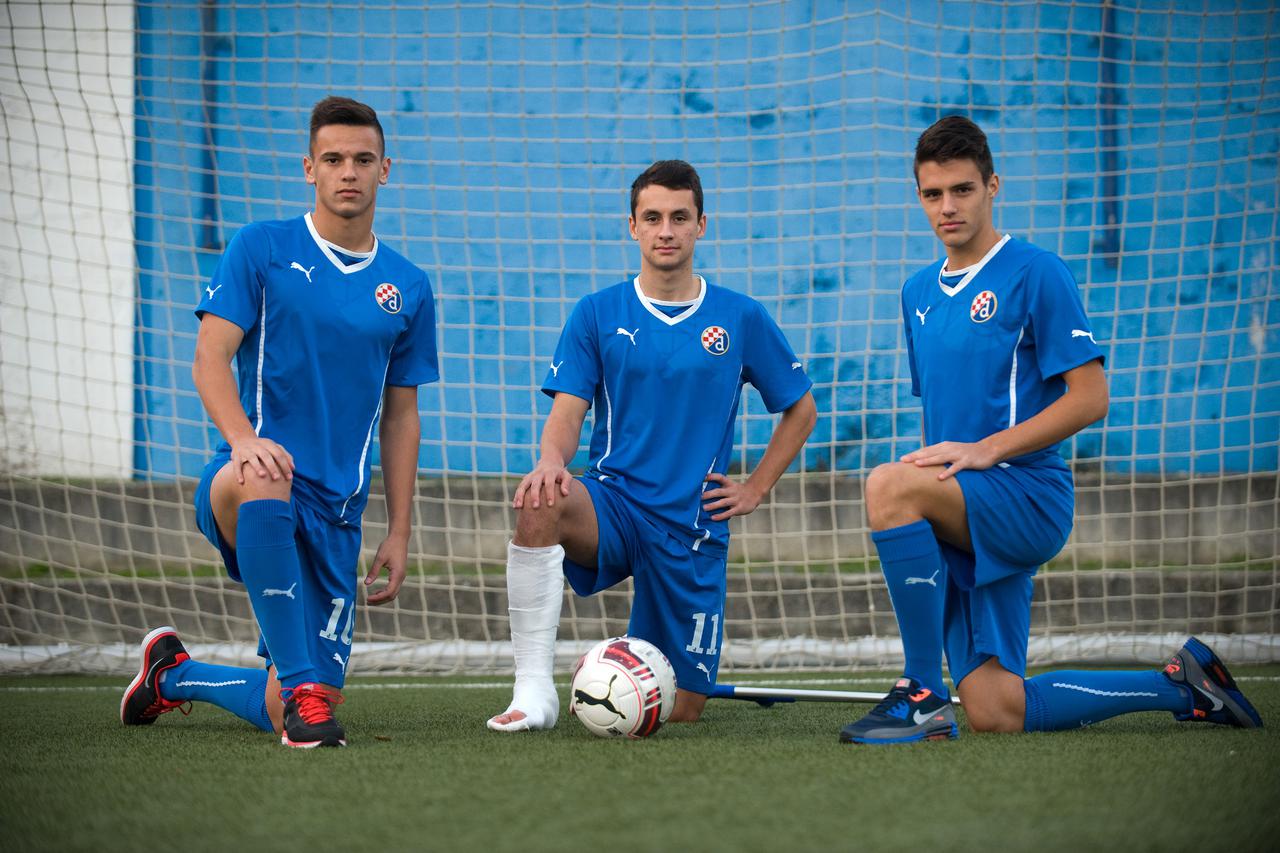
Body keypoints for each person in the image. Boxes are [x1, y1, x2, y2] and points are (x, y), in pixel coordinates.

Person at [840, 115, 1262, 744]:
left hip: (1024, 494)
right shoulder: (917, 292)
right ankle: (1184, 685)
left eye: (962, 190)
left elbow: (1091, 399)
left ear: (993, 187)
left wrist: (985, 451)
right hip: (964, 505)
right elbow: (951, 413)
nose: (947, 206)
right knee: (997, 710)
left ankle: (921, 692)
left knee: (888, 486)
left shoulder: (1037, 272)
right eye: (933, 194)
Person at [121, 96, 439, 748]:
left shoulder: (408, 285)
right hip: (247, 482)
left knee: (281, 700)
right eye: (332, 159)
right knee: (269, 479)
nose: (347, 171)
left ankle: (172, 676)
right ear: (309, 168)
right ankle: (303, 699)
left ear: (386, 169)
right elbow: (209, 359)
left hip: (337, 511)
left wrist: (400, 530)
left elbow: (402, 416)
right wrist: (244, 440)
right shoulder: (262, 248)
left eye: (362, 159)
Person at [488, 160, 817, 731]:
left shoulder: (740, 317)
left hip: (691, 526)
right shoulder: (597, 312)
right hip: (615, 505)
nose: (666, 230)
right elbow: (568, 412)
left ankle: (636, 661)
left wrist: (756, 487)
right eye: (653, 218)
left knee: (680, 711)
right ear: (633, 227)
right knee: (540, 498)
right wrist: (549, 461)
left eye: (679, 218)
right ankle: (533, 691)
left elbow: (801, 409)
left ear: (701, 225)